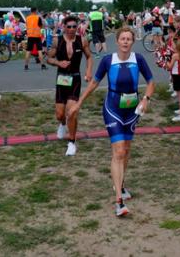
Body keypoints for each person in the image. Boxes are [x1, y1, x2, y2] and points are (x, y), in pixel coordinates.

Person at [70, 27, 155, 217]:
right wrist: (79, 103)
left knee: (126, 151)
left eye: (128, 39)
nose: (125, 42)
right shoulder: (108, 60)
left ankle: (121, 184)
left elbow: (151, 82)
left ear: (132, 42)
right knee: (119, 151)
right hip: (113, 110)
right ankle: (119, 201)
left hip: (132, 110)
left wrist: (146, 99)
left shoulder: (139, 59)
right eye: (122, 39)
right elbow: (94, 83)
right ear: (117, 41)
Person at [46, 15, 94, 156]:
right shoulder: (57, 40)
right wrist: (58, 63)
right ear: (64, 27)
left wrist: (88, 71)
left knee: (71, 112)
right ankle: (62, 124)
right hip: (61, 79)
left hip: (75, 78)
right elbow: (48, 58)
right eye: (69, 27)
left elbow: (89, 57)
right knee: (60, 114)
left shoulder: (82, 40)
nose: (72, 29)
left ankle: (72, 142)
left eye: (74, 26)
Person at [24, 7, 47, 71]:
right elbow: (41, 26)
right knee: (39, 50)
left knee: (28, 51)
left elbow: (27, 26)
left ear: (31, 11)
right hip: (37, 36)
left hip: (30, 36)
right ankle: (42, 65)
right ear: (35, 11)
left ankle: (26, 66)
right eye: (37, 11)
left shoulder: (27, 18)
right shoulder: (38, 17)